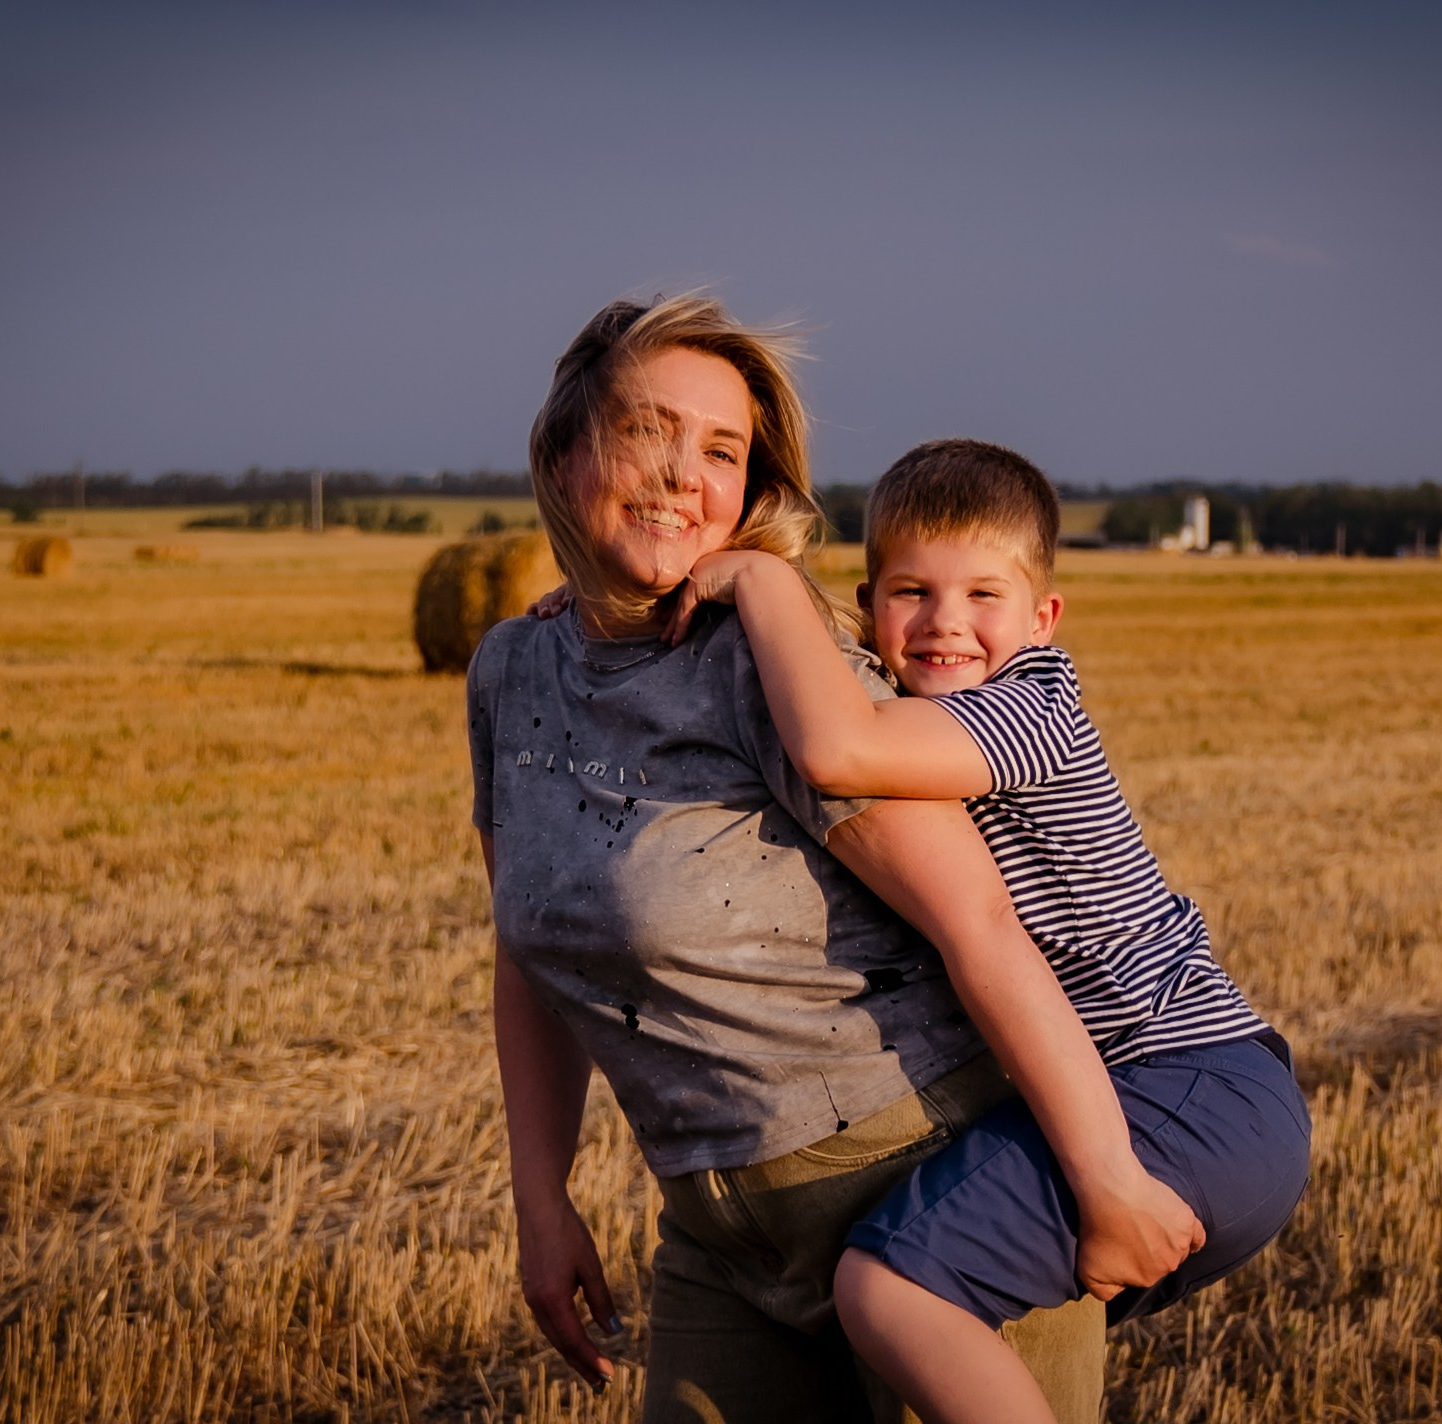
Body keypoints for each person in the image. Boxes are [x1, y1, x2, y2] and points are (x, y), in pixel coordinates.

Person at [468, 298, 1191, 1423]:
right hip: (713, 1230)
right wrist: (538, 1194)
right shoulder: (508, 671)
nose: (679, 474)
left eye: (719, 450)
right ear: (564, 453)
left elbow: (977, 921)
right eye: (645, 430)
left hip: (921, 1200)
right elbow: (525, 953)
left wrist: (1101, 1178)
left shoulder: (765, 663)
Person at [662, 438, 1312, 1424]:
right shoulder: (913, 689)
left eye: (981, 596)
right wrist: (601, 631)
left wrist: (753, 572)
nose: (941, 624)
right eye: (910, 591)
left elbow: (838, 744)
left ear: (1042, 618)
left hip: (1182, 1083)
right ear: (868, 603)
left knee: (891, 1289)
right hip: (1159, 1094)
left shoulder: (1034, 702)